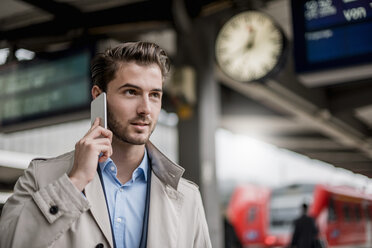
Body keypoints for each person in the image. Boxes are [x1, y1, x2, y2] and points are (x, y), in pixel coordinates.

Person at [0, 41, 212, 248]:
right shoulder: (41, 176)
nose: (145, 109)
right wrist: (75, 181)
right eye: (131, 92)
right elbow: (8, 242)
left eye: (154, 95)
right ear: (98, 96)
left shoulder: (188, 197)